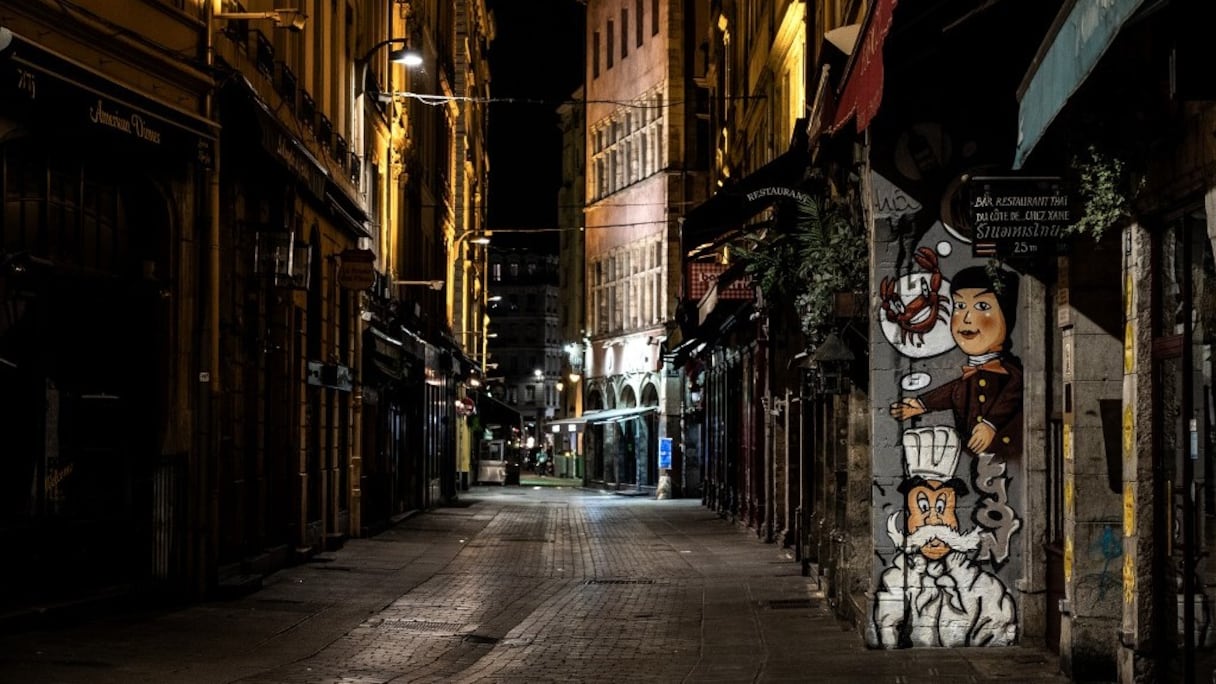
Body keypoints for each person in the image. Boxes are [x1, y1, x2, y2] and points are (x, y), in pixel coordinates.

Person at [871, 426, 1018, 648]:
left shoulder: (979, 583)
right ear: (908, 516)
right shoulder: (897, 578)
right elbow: (887, 626)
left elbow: (999, 627)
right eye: (922, 506)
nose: (934, 521)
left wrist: (963, 580)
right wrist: (910, 579)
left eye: (942, 507)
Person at [889, 266, 1021, 462]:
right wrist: (921, 404)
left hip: (1007, 455)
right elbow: (953, 392)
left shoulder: (1010, 372)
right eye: (959, 306)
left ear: (1006, 316)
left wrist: (990, 424)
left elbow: (1015, 391)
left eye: (982, 307)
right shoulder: (972, 375)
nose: (966, 319)